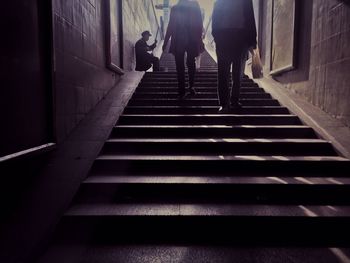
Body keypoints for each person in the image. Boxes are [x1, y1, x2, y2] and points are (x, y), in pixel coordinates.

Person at [212, 0, 257, 112]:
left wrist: (252, 41)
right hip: (224, 37)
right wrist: (216, 36)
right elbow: (215, 17)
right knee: (223, 72)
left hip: (240, 38)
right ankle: (224, 103)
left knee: (238, 73)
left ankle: (234, 100)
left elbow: (250, 19)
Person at [162, 0, 204, 99]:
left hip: (180, 40)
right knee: (190, 63)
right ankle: (190, 87)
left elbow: (171, 25)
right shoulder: (194, 6)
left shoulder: (176, 8)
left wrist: (165, 42)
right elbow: (200, 23)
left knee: (181, 65)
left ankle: (183, 90)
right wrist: (199, 39)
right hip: (190, 40)